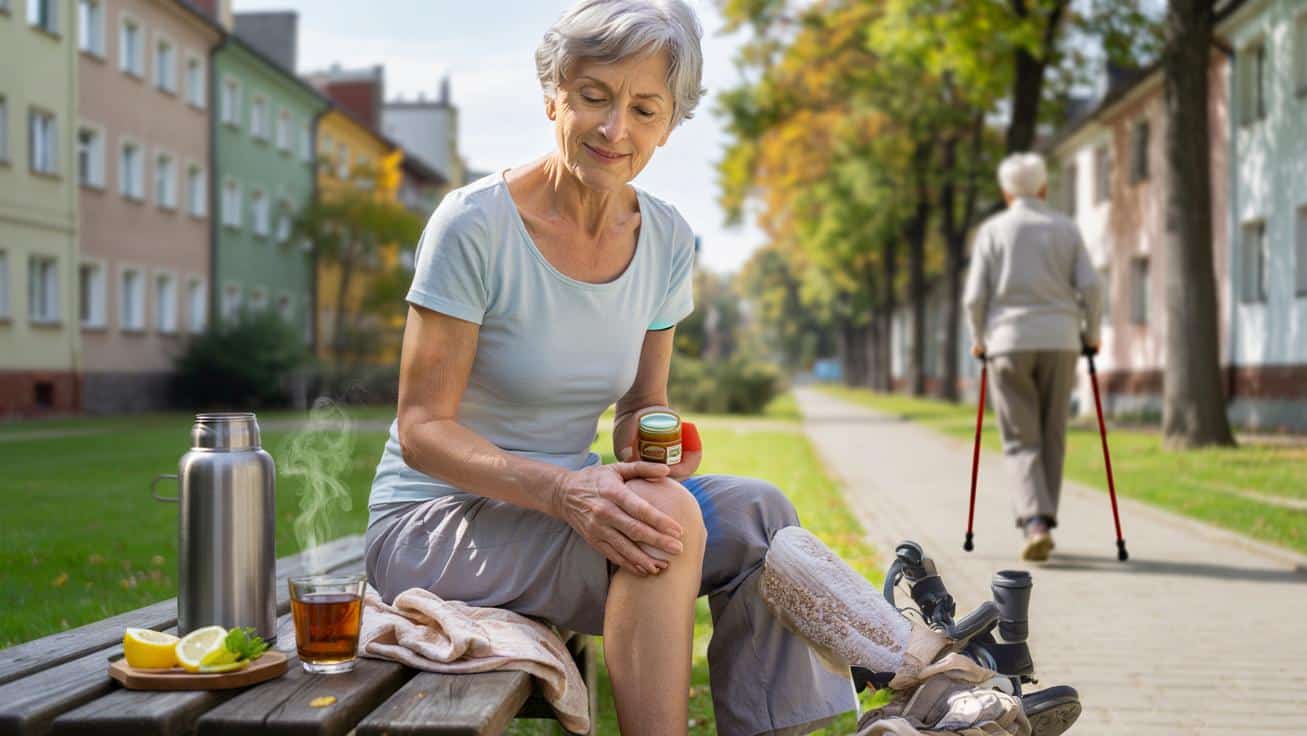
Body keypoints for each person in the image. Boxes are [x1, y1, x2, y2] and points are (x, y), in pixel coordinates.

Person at [363, 2, 1023, 734]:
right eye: (593, 97)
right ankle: (935, 676)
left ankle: (918, 683)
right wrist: (565, 491)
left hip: (569, 507)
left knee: (762, 512)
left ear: (671, 123)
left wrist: (657, 444)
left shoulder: (667, 239)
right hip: (437, 524)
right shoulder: (473, 225)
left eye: (645, 109)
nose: (615, 129)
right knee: (669, 522)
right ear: (553, 95)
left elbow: (641, 405)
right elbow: (422, 430)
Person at [963, 152, 1103, 562]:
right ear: (1043, 188)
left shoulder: (993, 231)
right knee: (1052, 431)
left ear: (1007, 193)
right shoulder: (1066, 228)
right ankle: (1045, 519)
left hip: (1008, 341)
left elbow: (975, 296)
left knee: (1021, 437)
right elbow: (1092, 287)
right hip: (1061, 340)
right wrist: (1092, 334)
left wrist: (978, 338)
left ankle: (1035, 522)